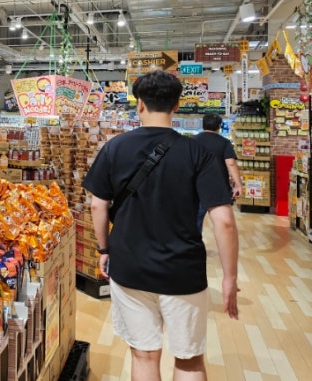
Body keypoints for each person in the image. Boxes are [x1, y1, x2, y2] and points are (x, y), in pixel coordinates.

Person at [82, 71, 239, 381]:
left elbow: (98, 205)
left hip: (130, 266)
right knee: (189, 360)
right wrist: (229, 278)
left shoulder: (115, 147)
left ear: (139, 104)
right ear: (176, 105)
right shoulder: (197, 152)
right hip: (183, 270)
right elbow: (224, 222)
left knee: (143, 356)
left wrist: (103, 249)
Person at [194, 112, 242, 232]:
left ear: (203, 124)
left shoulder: (192, 141)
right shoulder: (224, 142)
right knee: (222, 223)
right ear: (219, 126)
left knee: (195, 221)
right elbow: (231, 163)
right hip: (218, 187)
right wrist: (238, 185)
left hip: (196, 187)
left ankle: (195, 243)